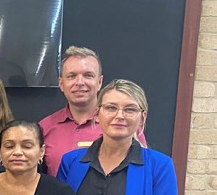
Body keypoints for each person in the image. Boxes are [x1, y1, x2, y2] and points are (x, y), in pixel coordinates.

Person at [40, 46, 146, 177]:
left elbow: (142, 173)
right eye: (72, 76)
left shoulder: (122, 125)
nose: (79, 82)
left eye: (88, 75)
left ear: (99, 82)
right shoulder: (45, 127)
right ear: (61, 84)